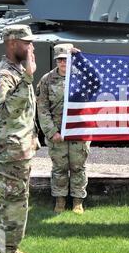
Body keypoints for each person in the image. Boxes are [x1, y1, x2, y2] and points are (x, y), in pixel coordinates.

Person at [0, 24, 41, 253]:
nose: (31, 46)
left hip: (19, 149)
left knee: (13, 202)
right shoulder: (4, 74)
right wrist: (28, 77)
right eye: (26, 42)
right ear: (11, 43)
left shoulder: (16, 70)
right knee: (11, 204)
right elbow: (7, 109)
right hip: (9, 151)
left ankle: (10, 249)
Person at [36, 44, 90, 214]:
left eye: (66, 59)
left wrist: (81, 59)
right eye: (60, 59)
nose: (63, 62)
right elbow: (42, 108)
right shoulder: (47, 80)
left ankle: (77, 201)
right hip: (57, 132)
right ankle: (59, 201)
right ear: (56, 60)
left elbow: (97, 79)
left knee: (78, 167)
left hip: (78, 130)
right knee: (59, 168)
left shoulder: (81, 76)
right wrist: (52, 132)